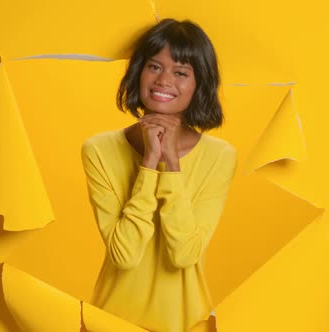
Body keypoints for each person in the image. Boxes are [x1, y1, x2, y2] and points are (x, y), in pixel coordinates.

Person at [81, 18, 237, 332]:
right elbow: (124, 256)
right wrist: (149, 164)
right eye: (154, 66)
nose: (164, 80)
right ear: (139, 72)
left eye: (181, 72)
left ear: (199, 85)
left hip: (186, 323)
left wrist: (172, 167)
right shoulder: (98, 150)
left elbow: (183, 254)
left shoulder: (220, 157)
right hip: (110, 321)